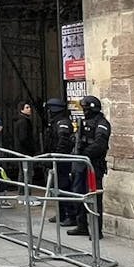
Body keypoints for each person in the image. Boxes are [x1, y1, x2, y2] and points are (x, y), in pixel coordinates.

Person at [69, 96, 111, 238]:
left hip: (93, 165)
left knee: (94, 197)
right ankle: (82, 226)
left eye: (86, 108)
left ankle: (96, 230)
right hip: (81, 165)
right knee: (79, 194)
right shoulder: (83, 122)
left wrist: (85, 153)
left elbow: (100, 145)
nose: (84, 111)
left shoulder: (102, 123)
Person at [46, 99, 77, 226]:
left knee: (64, 186)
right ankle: (62, 213)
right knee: (57, 186)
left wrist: (56, 157)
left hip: (62, 160)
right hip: (57, 159)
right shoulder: (56, 122)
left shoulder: (62, 122)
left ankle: (70, 215)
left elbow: (63, 141)